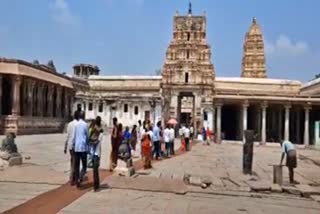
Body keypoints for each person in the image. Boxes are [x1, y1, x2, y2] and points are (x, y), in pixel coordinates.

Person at [72, 111, 88, 188]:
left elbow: (74, 136)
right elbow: (87, 136)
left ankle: (77, 179)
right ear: (83, 116)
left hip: (77, 147)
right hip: (83, 147)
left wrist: (73, 145)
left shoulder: (76, 125)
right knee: (84, 165)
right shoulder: (85, 125)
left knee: (76, 165)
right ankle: (80, 178)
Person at [64, 110, 79, 186]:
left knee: (72, 161)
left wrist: (65, 146)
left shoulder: (69, 124)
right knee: (75, 163)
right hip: (76, 146)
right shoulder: (79, 124)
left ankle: (72, 177)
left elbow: (67, 135)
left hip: (70, 146)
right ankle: (73, 179)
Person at [89, 116, 103, 192]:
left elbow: (91, 139)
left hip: (94, 153)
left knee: (95, 170)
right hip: (97, 153)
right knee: (95, 169)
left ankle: (96, 185)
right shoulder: (100, 132)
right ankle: (96, 185)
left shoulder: (94, 132)